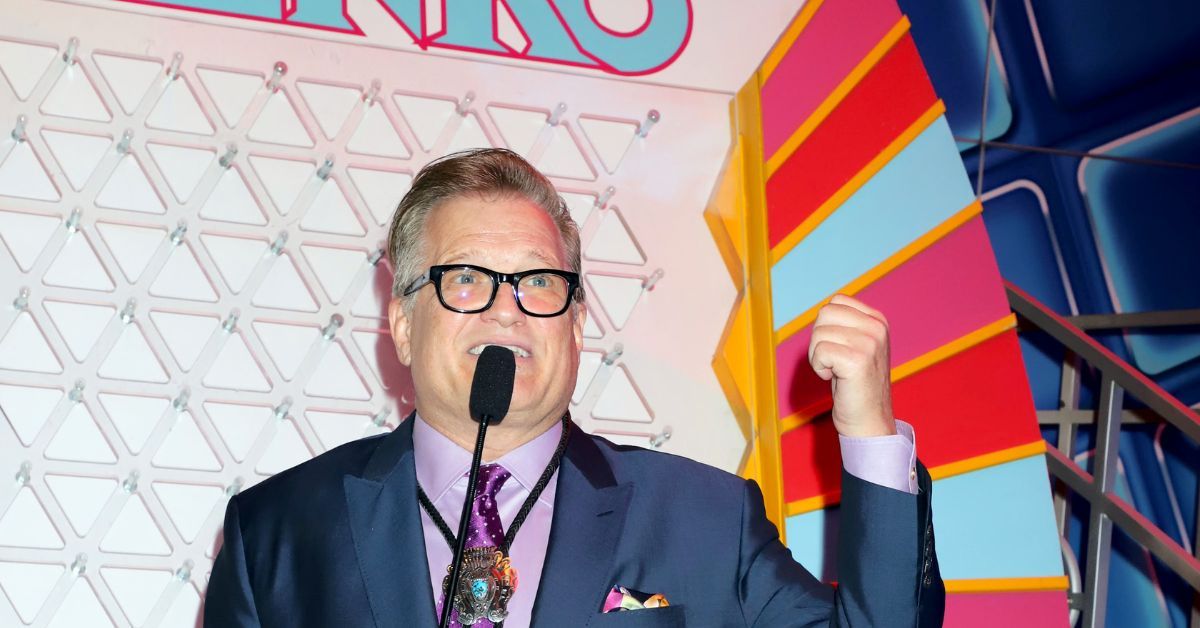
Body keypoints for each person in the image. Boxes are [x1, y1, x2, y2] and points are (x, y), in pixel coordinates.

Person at [204, 148, 944, 627]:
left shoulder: (705, 520)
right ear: (401, 320)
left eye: (537, 282)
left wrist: (871, 434)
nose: (506, 309)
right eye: (466, 279)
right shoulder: (277, 533)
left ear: (578, 322)